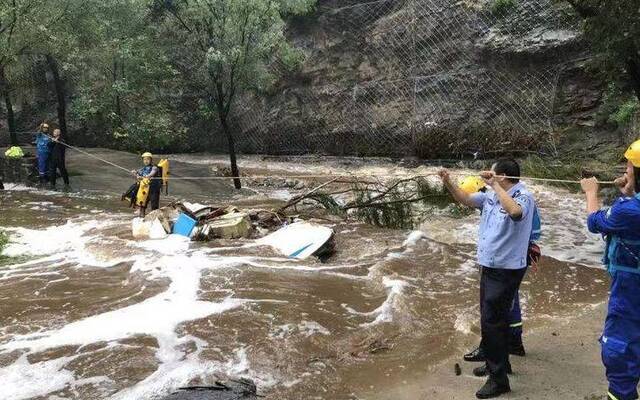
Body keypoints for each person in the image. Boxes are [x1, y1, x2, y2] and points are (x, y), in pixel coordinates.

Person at [439, 159, 537, 399]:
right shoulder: (492, 195)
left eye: (493, 173)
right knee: (492, 319)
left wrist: (496, 186)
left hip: (507, 267)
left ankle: (498, 379)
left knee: (494, 321)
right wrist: (448, 181)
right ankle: (500, 364)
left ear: (502, 176)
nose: (487, 176)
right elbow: (466, 199)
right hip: (490, 264)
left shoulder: (523, 195)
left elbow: (515, 213)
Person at [581, 139, 640, 400]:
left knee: (620, 349)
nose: (624, 173)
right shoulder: (630, 206)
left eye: (628, 169)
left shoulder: (629, 210)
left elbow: (595, 222)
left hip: (631, 290)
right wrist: (630, 191)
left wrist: (591, 192)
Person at [131, 152, 162, 217]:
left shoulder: (154, 167)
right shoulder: (143, 169)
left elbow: (152, 173)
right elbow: (137, 173)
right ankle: (142, 217)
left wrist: (145, 176)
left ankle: (155, 218)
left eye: (148, 159)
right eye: (144, 159)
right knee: (142, 204)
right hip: (145, 189)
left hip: (154, 189)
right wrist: (135, 173)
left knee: (154, 205)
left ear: (151, 160)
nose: (146, 161)